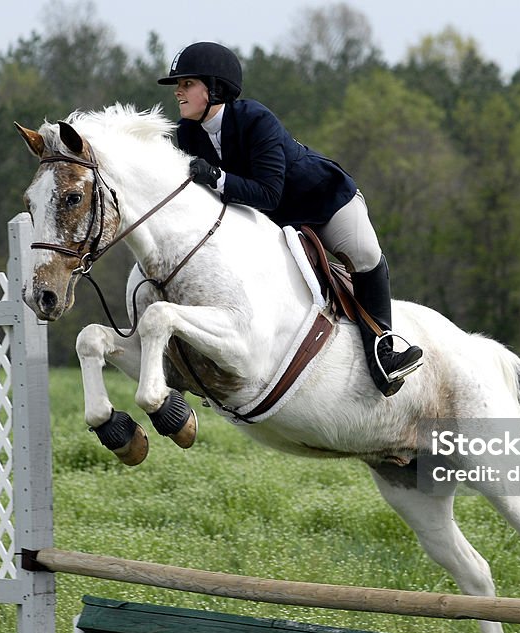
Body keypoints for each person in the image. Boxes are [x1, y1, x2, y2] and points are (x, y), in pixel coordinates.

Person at [158, 42, 423, 397]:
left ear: (215, 88)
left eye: (187, 83)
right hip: (272, 221)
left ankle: (384, 351)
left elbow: (268, 192)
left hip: (324, 201)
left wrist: (217, 178)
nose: (178, 91)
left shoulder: (256, 119)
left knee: (364, 254)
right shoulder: (188, 132)